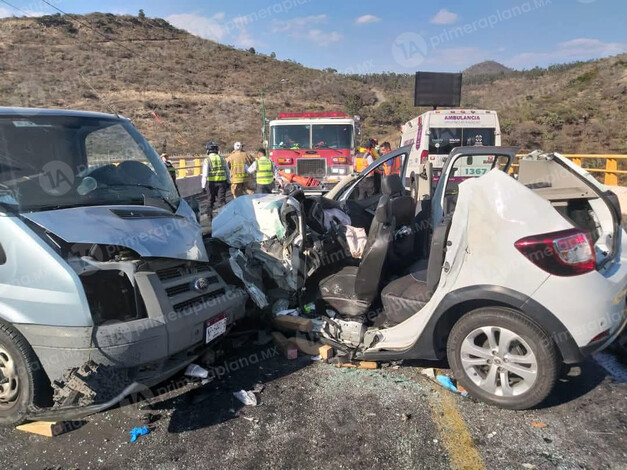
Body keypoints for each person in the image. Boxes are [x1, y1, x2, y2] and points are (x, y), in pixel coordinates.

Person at [201, 141, 228, 219]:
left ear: (208, 150)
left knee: (210, 200)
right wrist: (229, 181)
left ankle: (210, 217)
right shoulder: (222, 159)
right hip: (222, 182)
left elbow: (205, 174)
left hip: (211, 184)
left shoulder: (207, 160)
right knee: (221, 201)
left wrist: (203, 186)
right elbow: (227, 171)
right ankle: (224, 216)